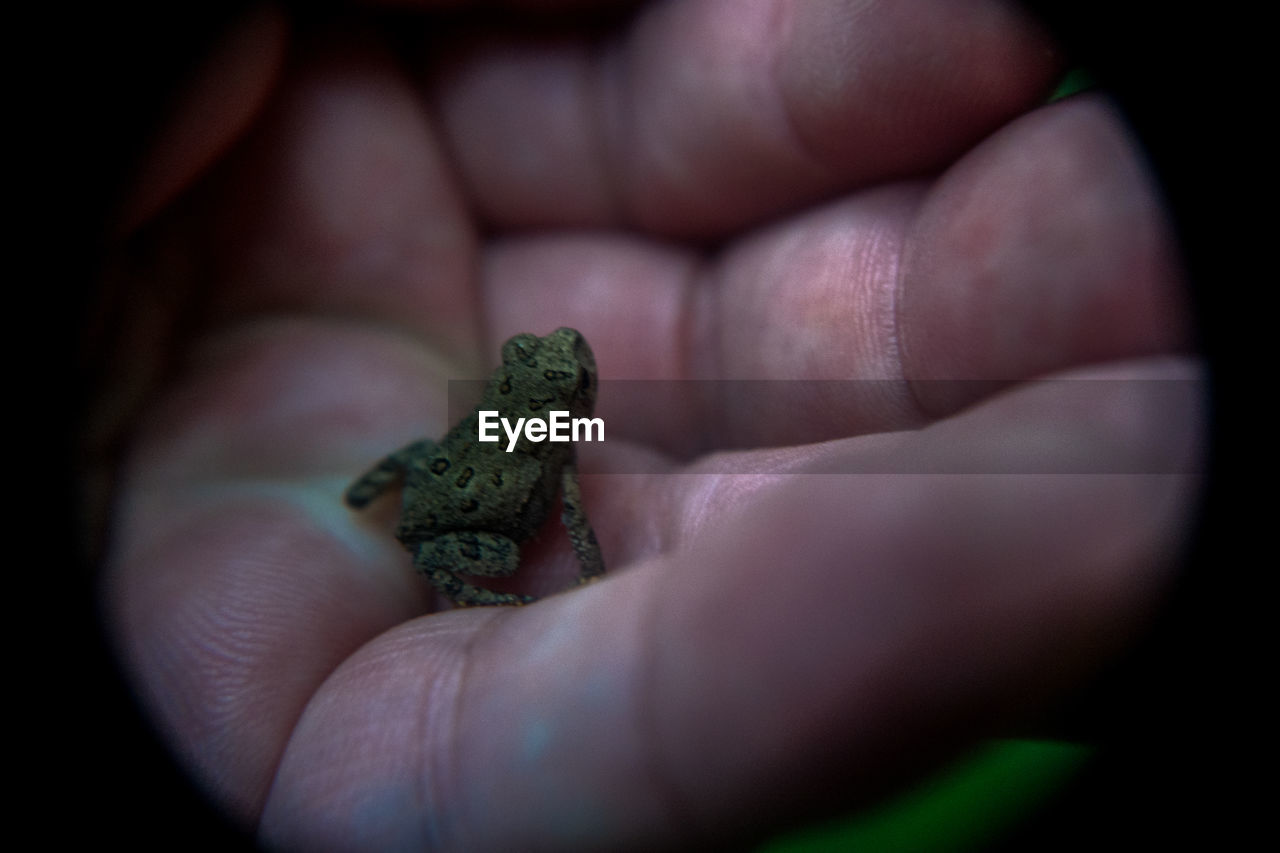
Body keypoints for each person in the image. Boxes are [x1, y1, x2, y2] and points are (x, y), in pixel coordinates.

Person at [86, 1, 1202, 847]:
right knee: (466, 524)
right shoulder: (540, 438)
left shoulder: (513, 419)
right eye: (554, 375)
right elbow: (559, 499)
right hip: (454, 523)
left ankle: (397, 502)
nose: (561, 374)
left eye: (557, 374)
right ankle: (432, 541)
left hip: (444, 477)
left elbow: (514, 460)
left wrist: (428, 483)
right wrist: (553, 569)